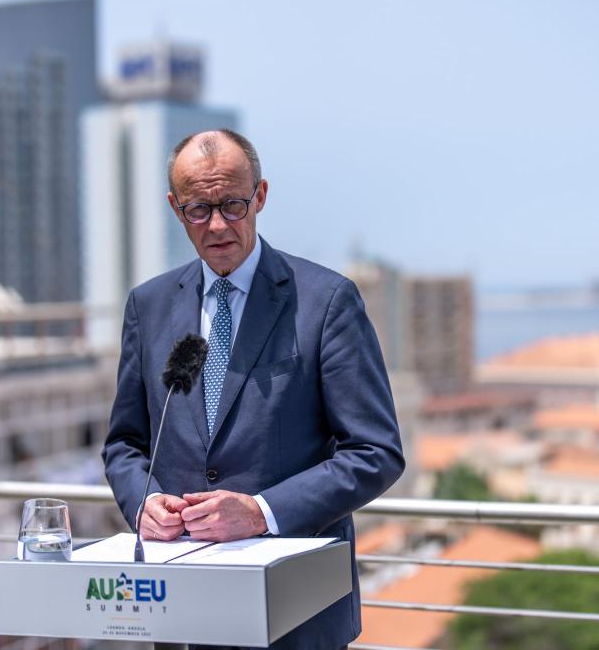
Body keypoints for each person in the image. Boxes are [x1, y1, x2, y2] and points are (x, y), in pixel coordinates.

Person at [102, 129, 405, 649]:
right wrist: (143, 502)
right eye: (199, 209)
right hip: (181, 615)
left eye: (233, 204)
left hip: (295, 615)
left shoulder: (327, 300)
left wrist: (262, 512)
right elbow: (125, 444)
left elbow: (376, 451)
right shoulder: (147, 306)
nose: (217, 224)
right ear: (176, 209)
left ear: (260, 196)